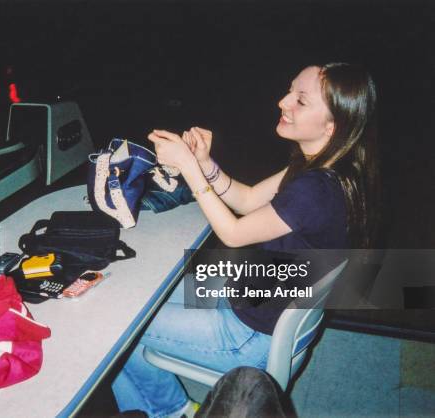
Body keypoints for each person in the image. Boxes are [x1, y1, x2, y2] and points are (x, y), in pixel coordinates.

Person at [112, 63, 379, 417]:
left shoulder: (315, 190)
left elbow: (233, 232)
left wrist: (189, 171)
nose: (283, 102)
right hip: (252, 295)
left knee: (118, 329)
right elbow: (249, 199)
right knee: (139, 295)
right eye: (289, 90)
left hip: (248, 335)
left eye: (300, 100)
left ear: (332, 125)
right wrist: (204, 164)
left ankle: (170, 412)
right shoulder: (326, 167)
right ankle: (177, 407)